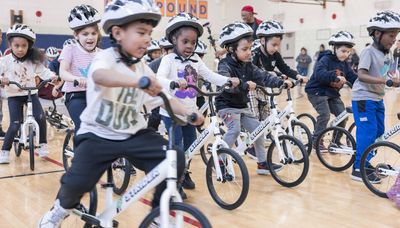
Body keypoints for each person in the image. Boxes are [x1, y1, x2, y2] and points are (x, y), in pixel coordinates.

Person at [38, 1, 204, 227]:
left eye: (149, 34)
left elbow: (166, 98)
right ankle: (59, 209)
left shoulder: (142, 68)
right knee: (77, 183)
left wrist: (189, 113)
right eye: (141, 33)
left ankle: (158, 214)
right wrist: (137, 81)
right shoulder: (105, 57)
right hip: (97, 134)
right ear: (117, 33)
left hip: (133, 134)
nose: (147, 39)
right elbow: (100, 77)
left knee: (175, 158)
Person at [157, 12, 239, 192]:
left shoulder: (195, 60)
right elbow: (159, 79)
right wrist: (173, 82)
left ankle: (184, 172)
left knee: (191, 145)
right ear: (174, 39)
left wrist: (227, 80)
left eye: (193, 42)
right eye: (185, 41)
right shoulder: (168, 60)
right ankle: (174, 182)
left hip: (190, 110)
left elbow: (210, 75)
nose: (190, 46)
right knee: (177, 147)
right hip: (172, 113)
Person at [216, 21, 292, 174]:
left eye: (250, 48)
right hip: (226, 105)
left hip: (242, 105)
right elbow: (226, 84)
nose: (249, 52)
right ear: (231, 49)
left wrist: (280, 82)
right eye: (244, 49)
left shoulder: (248, 65)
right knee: (235, 130)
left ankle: (262, 163)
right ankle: (219, 161)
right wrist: (243, 85)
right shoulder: (224, 65)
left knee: (258, 130)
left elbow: (263, 76)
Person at [351, 10, 400, 182]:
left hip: (377, 97)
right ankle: (358, 168)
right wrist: (384, 80)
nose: (394, 39)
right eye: (392, 36)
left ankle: (366, 161)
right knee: (368, 132)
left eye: (396, 36)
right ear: (377, 34)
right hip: (364, 97)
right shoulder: (368, 52)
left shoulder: (387, 53)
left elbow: (389, 73)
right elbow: (361, 75)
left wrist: (395, 79)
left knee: (379, 132)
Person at [0, 24, 56, 164]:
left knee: (40, 117)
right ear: (10, 45)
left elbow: (44, 72)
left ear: (29, 46)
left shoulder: (33, 60)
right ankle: (5, 151)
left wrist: (53, 76)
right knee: (14, 123)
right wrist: (2, 79)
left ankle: (43, 144)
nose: (20, 49)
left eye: (24, 46)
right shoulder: (4, 61)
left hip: (31, 93)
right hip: (14, 95)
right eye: (16, 45)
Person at [305, 31, 358, 150]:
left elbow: (352, 77)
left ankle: (335, 141)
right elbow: (319, 73)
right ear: (335, 48)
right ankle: (316, 141)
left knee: (343, 116)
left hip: (331, 93)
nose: (346, 54)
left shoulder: (344, 64)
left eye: (348, 52)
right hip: (316, 91)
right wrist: (334, 76)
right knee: (325, 115)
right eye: (343, 51)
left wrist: (362, 84)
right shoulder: (325, 59)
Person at [59, 4, 101, 133]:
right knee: (83, 128)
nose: (90, 37)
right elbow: (63, 72)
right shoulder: (70, 49)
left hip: (96, 95)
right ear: (76, 35)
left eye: (94, 33)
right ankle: (80, 152)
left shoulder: (101, 54)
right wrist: (76, 78)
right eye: (85, 34)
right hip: (75, 95)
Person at [147, 37, 174, 131]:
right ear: (164, 51)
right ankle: (150, 132)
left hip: (172, 96)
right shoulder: (154, 64)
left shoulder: (177, 62)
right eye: (172, 50)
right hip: (158, 95)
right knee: (156, 116)